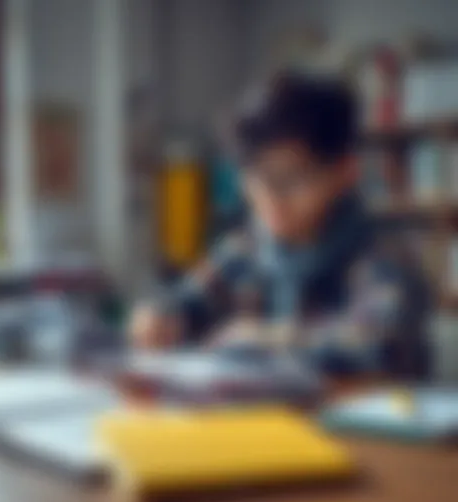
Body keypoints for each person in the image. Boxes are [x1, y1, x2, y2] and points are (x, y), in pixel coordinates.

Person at [130, 72, 432, 379]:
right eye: (255, 177)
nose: (271, 198)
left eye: (291, 179)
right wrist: (160, 314)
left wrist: (269, 340)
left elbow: (380, 345)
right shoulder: (247, 248)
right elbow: (187, 300)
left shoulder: (383, 254)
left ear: (346, 171)